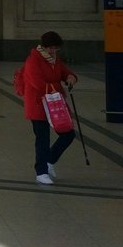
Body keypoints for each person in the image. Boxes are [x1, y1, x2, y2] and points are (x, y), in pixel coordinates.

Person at [21, 31, 78, 185]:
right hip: (38, 105)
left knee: (68, 133)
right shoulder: (33, 60)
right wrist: (59, 86)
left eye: (56, 49)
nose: (53, 51)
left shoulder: (54, 60)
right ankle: (41, 172)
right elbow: (38, 84)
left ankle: (50, 160)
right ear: (44, 47)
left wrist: (71, 77)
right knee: (42, 139)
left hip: (55, 104)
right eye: (51, 48)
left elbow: (64, 72)